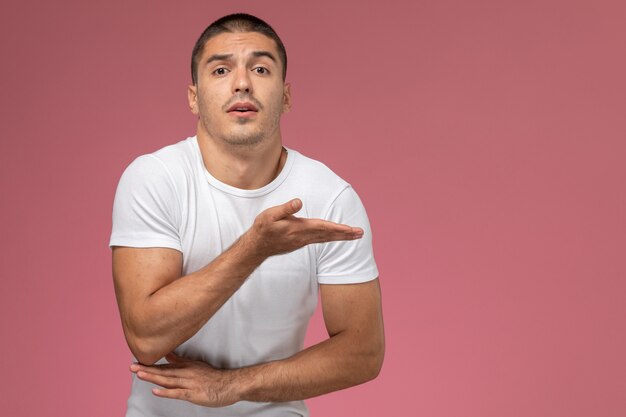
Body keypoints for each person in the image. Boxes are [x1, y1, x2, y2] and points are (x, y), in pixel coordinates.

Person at [109, 13, 384, 417]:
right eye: (221, 69)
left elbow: (363, 351)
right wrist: (254, 248)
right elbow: (146, 338)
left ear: (286, 96)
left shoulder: (329, 196)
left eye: (260, 68)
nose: (242, 82)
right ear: (194, 97)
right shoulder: (155, 179)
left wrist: (232, 386)